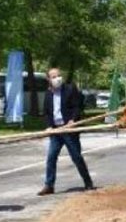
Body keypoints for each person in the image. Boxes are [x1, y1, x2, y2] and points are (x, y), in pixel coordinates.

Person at [37, 68, 94, 196]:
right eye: (54, 76)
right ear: (48, 79)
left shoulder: (69, 89)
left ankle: (88, 182)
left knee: (76, 157)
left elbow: (77, 106)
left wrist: (73, 120)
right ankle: (49, 185)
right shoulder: (48, 94)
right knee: (51, 158)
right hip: (56, 132)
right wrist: (48, 126)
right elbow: (46, 113)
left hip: (69, 130)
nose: (57, 78)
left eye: (59, 75)